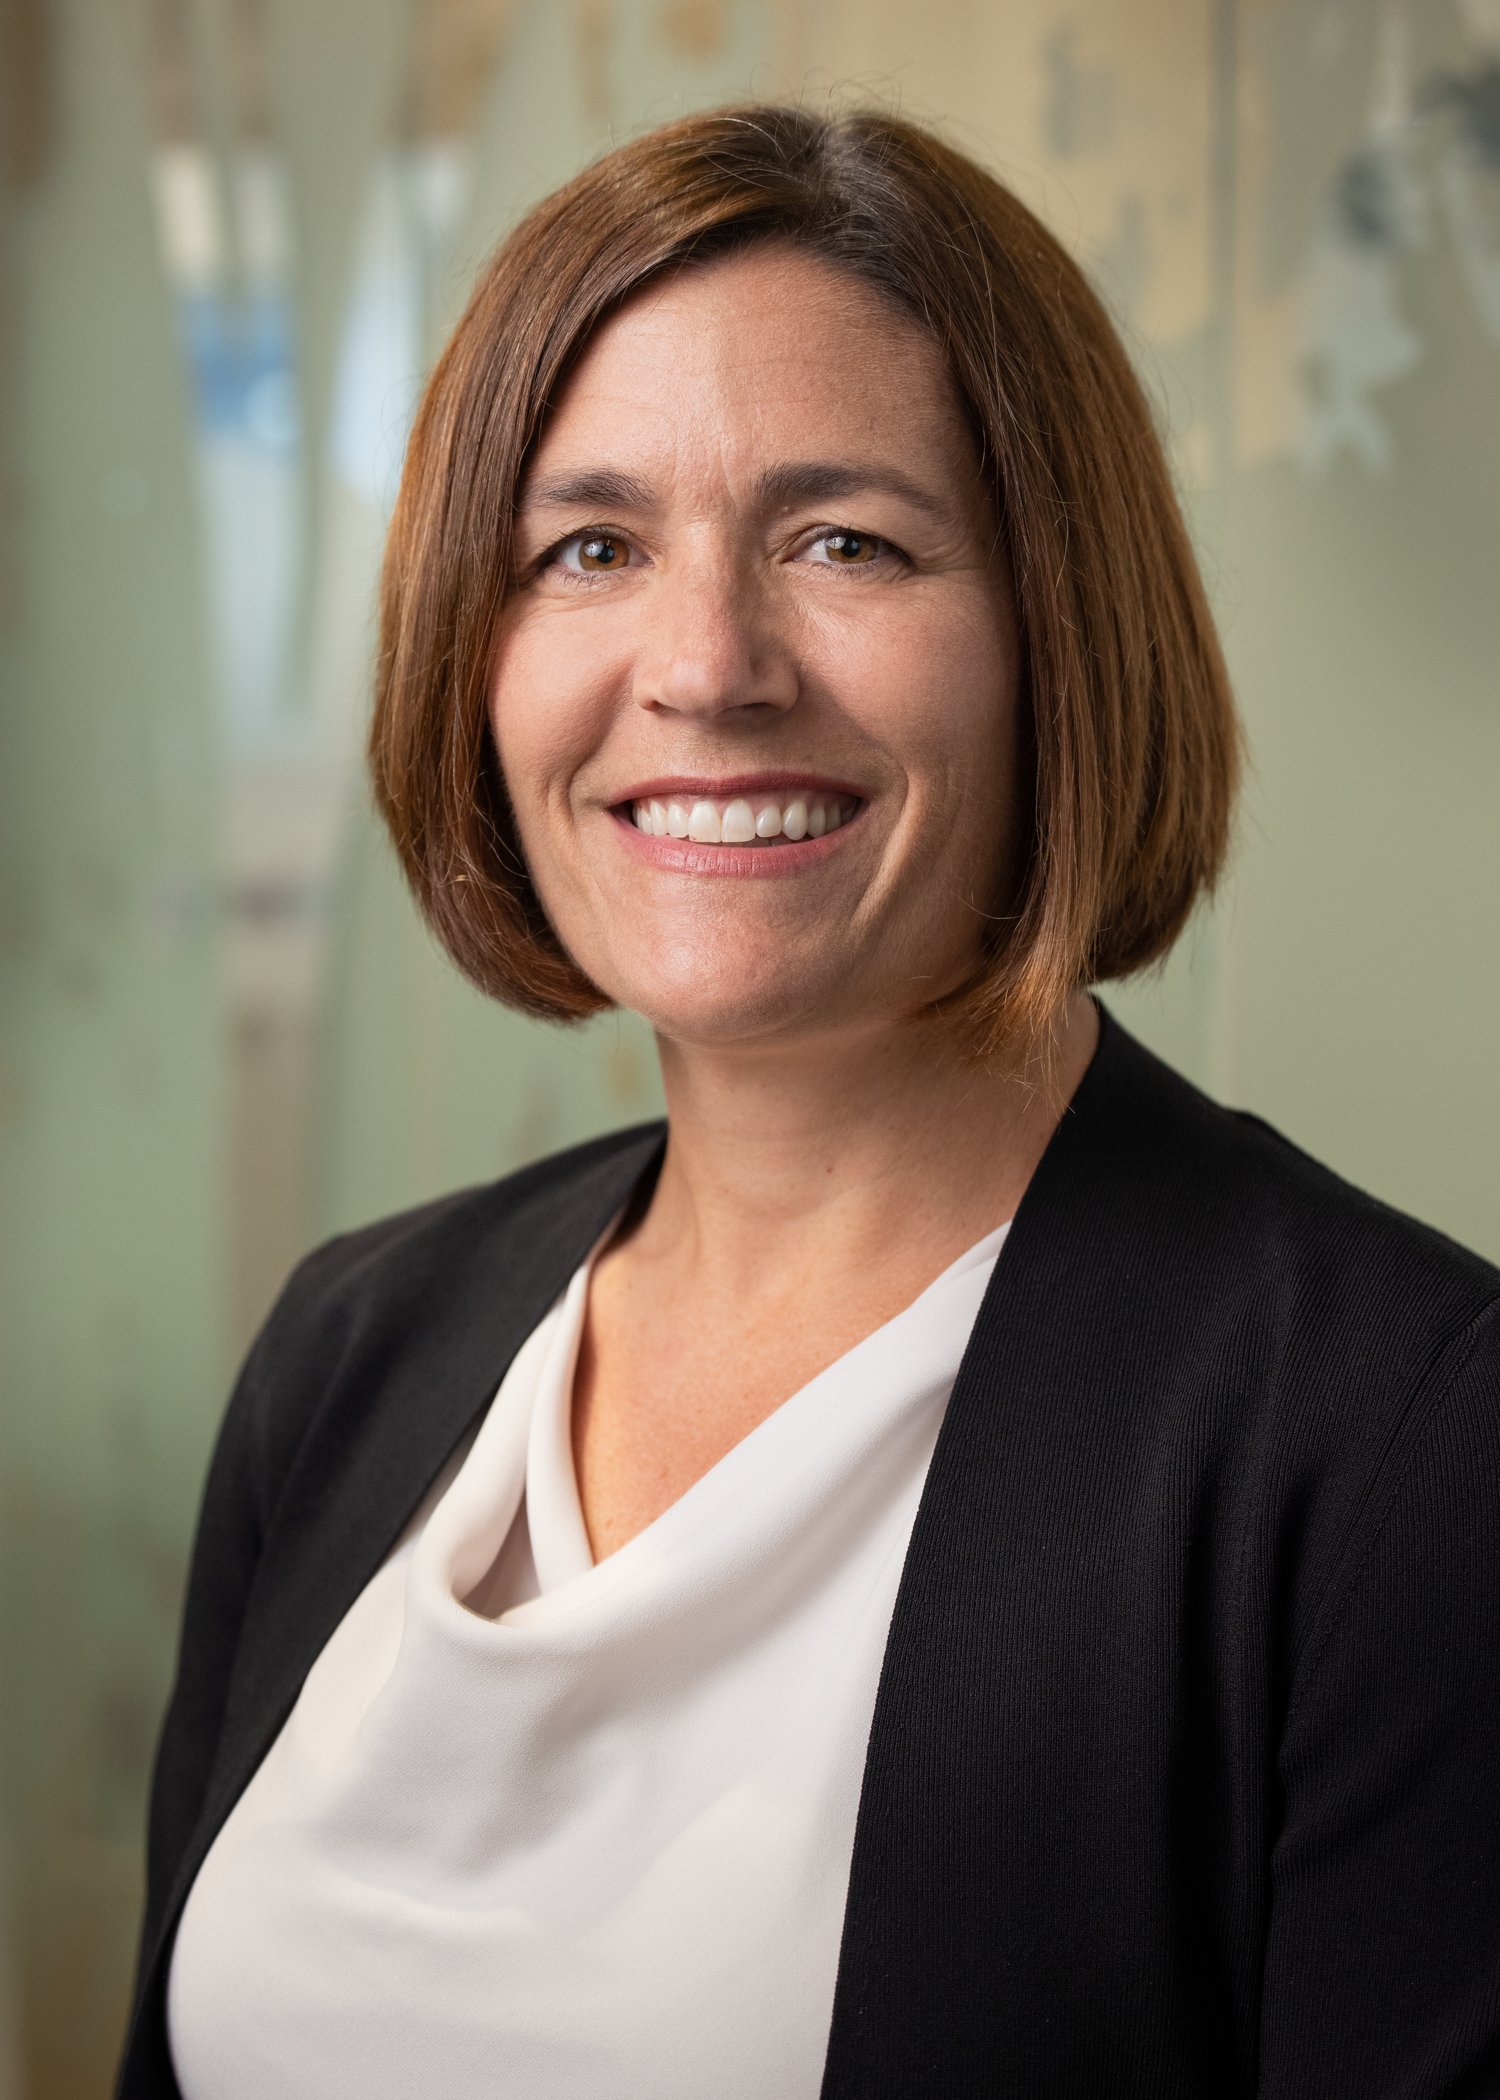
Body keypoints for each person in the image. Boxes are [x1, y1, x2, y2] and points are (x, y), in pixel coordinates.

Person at [116, 105, 1500, 2100]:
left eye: (845, 540)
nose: (705, 664)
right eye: (588, 548)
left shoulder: (1397, 1451)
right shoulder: (352, 1350)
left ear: (1059, 635)